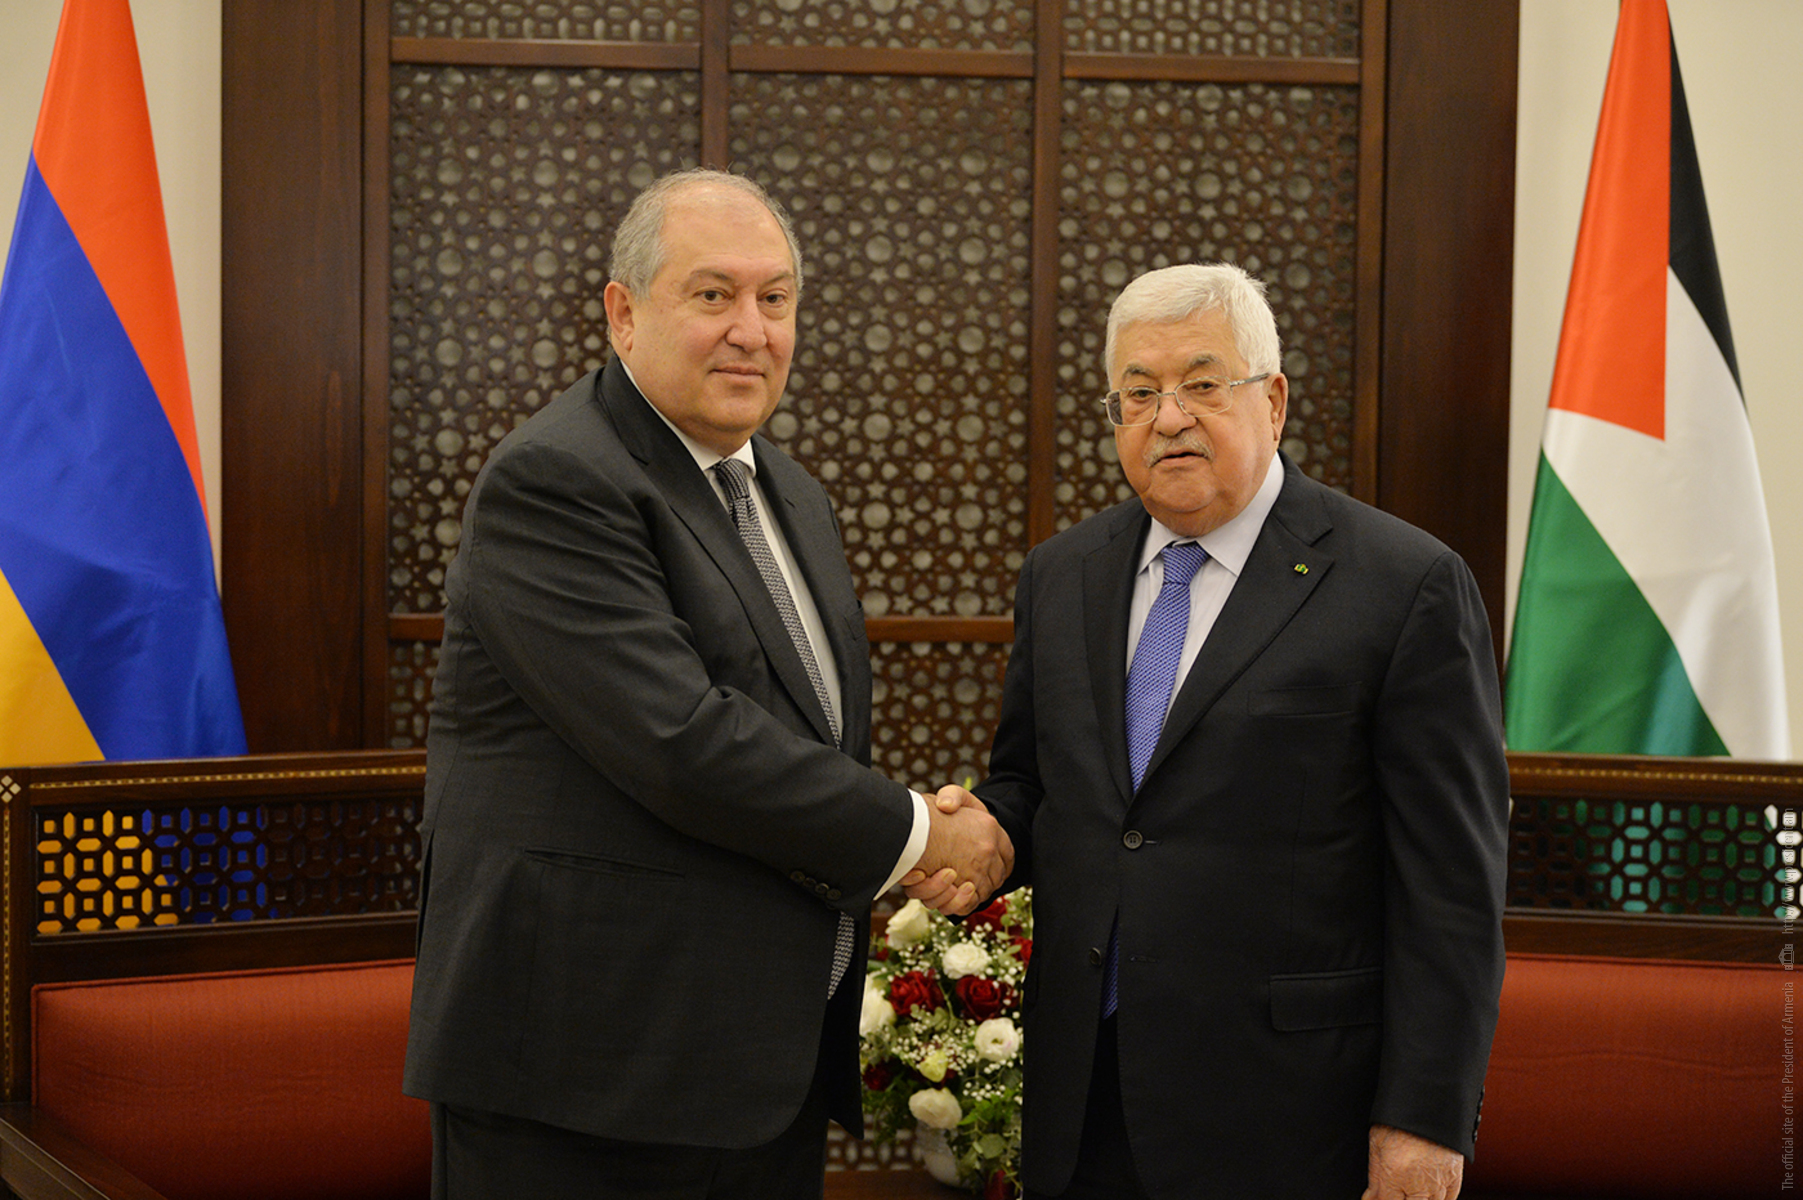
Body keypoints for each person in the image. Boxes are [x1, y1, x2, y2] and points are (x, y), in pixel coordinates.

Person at [403, 167, 1011, 1200]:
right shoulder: (557, 479)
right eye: (713, 294)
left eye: (775, 299)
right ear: (623, 312)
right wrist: (919, 834)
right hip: (587, 1079)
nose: (750, 331)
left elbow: (800, 740)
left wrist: (907, 834)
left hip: (753, 1069)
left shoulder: (790, 492)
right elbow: (681, 743)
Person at [912, 263, 1509, 1199]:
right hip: (1086, 1100)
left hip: (1291, 1113)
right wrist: (987, 835)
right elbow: (1036, 784)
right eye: (1138, 393)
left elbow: (1452, 886)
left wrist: (1422, 1119)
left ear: (1272, 401)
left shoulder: (1403, 585)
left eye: (1201, 383)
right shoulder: (1062, 575)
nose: (1169, 417)